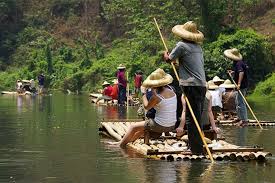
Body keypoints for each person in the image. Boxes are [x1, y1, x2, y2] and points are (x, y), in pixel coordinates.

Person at [163, 21, 206, 154]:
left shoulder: (181, 45)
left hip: (191, 86)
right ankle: (198, 146)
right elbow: (188, 65)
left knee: (190, 117)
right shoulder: (198, 48)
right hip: (202, 85)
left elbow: (169, 59)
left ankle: (195, 150)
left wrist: (165, 55)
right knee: (197, 116)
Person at [114, 68, 177, 148]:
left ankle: (120, 145)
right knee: (141, 129)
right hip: (172, 124)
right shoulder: (172, 91)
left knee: (133, 127)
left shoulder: (157, 97)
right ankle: (122, 142)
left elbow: (146, 107)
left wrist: (143, 93)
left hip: (161, 125)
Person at [224, 48, 249, 126]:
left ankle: (244, 120)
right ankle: (239, 117)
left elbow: (241, 72)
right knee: (237, 102)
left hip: (242, 86)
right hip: (241, 85)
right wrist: (233, 72)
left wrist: (238, 84)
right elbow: (239, 71)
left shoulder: (239, 63)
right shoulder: (237, 63)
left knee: (241, 103)